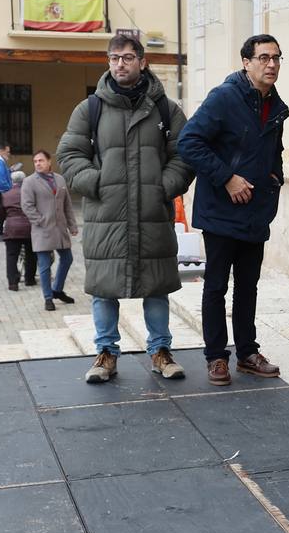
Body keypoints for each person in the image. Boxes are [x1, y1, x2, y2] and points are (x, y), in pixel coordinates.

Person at [57, 34, 195, 383]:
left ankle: (161, 351)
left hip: (152, 214)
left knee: (157, 287)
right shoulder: (91, 108)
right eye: (115, 58)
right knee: (104, 289)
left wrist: (163, 187)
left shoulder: (166, 109)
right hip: (107, 217)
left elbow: (184, 156)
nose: (121, 63)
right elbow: (69, 156)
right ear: (108, 61)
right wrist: (97, 182)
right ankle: (105, 354)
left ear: (142, 62)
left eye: (128, 58)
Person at [178, 34, 287, 386]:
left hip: (255, 211)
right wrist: (227, 178)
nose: (271, 64)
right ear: (246, 62)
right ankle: (215, 357)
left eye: (276, 58)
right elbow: (189, 141)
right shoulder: (224, 97)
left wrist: (272, 181)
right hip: (221, 212)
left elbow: (273, 151)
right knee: (216, 287)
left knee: (249, 286)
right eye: (264, 58)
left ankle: (247, 353)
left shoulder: (276, 106)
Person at [21, 150, 77, 313]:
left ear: (49, 161)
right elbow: (27, 206)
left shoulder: (59, 179)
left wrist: (72, 225)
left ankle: (57, 290)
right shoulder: (30, 182)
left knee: (67, 258)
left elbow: (67, 205)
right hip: (42, 230)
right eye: (35, 161)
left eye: (41, 160)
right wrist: (40, 221)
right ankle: (48, 298)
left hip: (60, 229)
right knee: (45, 266)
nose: (38, 163)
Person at [1, 171, 34, 291]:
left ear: (12, 181)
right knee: (31, 254)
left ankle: (13, 283)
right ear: (24, 181)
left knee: (11, 256)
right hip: (29, 228)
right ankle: (29, 279)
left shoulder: (5, 195)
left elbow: (1, 212)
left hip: (12, 228)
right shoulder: (30, 193)